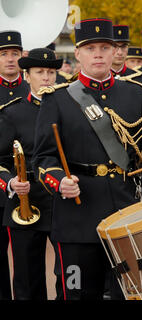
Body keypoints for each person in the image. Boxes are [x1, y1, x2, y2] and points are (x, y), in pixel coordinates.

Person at [32, 18, 142, 300]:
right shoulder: (57, 99)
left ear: (115, 52)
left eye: (105, 47)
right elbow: (42, 158)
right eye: (90, 48)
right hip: (77, 215)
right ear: (78, 54)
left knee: (129, 294)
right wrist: (59, 182)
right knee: (77, 295)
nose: (98, 54)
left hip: (125, 214)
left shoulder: (136, 95)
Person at [0, 48, 62, 300]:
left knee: (68, 273)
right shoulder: (12, 113)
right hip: (25, 201)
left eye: (50, 72)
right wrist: (11, 183)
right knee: (27, 278)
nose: (46, 77)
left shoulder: (67, 109)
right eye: (39, 72)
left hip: (61, 200)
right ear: (27, 76)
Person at [0, 30, 29, 300]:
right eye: (4, 54)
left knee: (25, 261)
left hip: (28, 186)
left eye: (15, 54)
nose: (10, 59)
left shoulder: (31, 87)